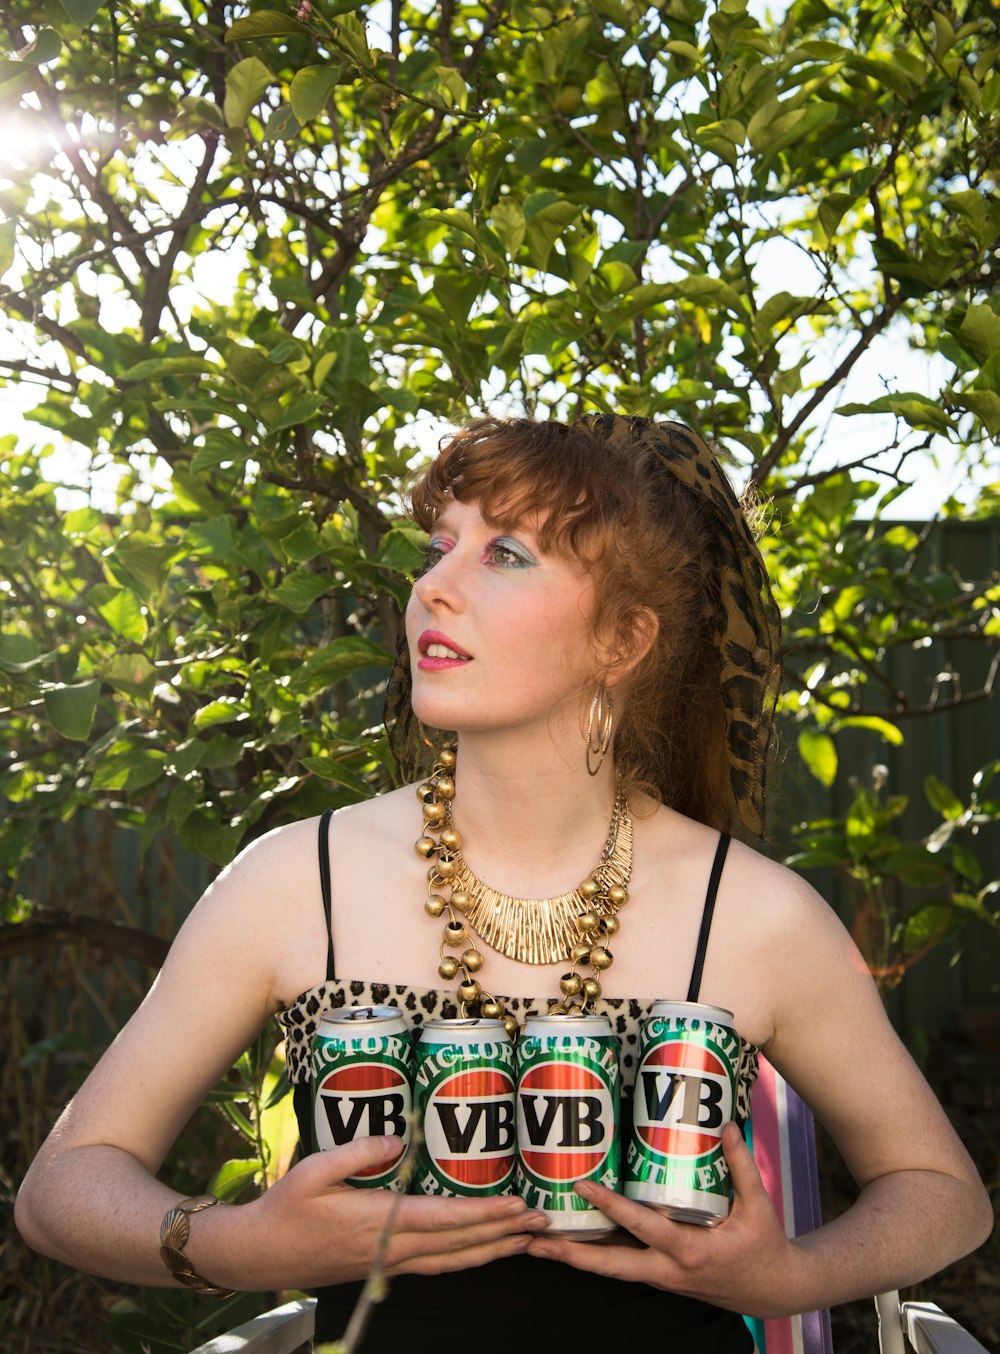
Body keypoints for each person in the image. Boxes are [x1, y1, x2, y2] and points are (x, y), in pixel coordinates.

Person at [15, 414, 992, 1352]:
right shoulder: (291, 881)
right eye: (438, 546)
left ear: (621, 640)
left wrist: (792, 1278)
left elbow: (940, 1191)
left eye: (505, 553)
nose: (433, 586)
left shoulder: (756, 914)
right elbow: (62, 1187)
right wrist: (243, 1242)